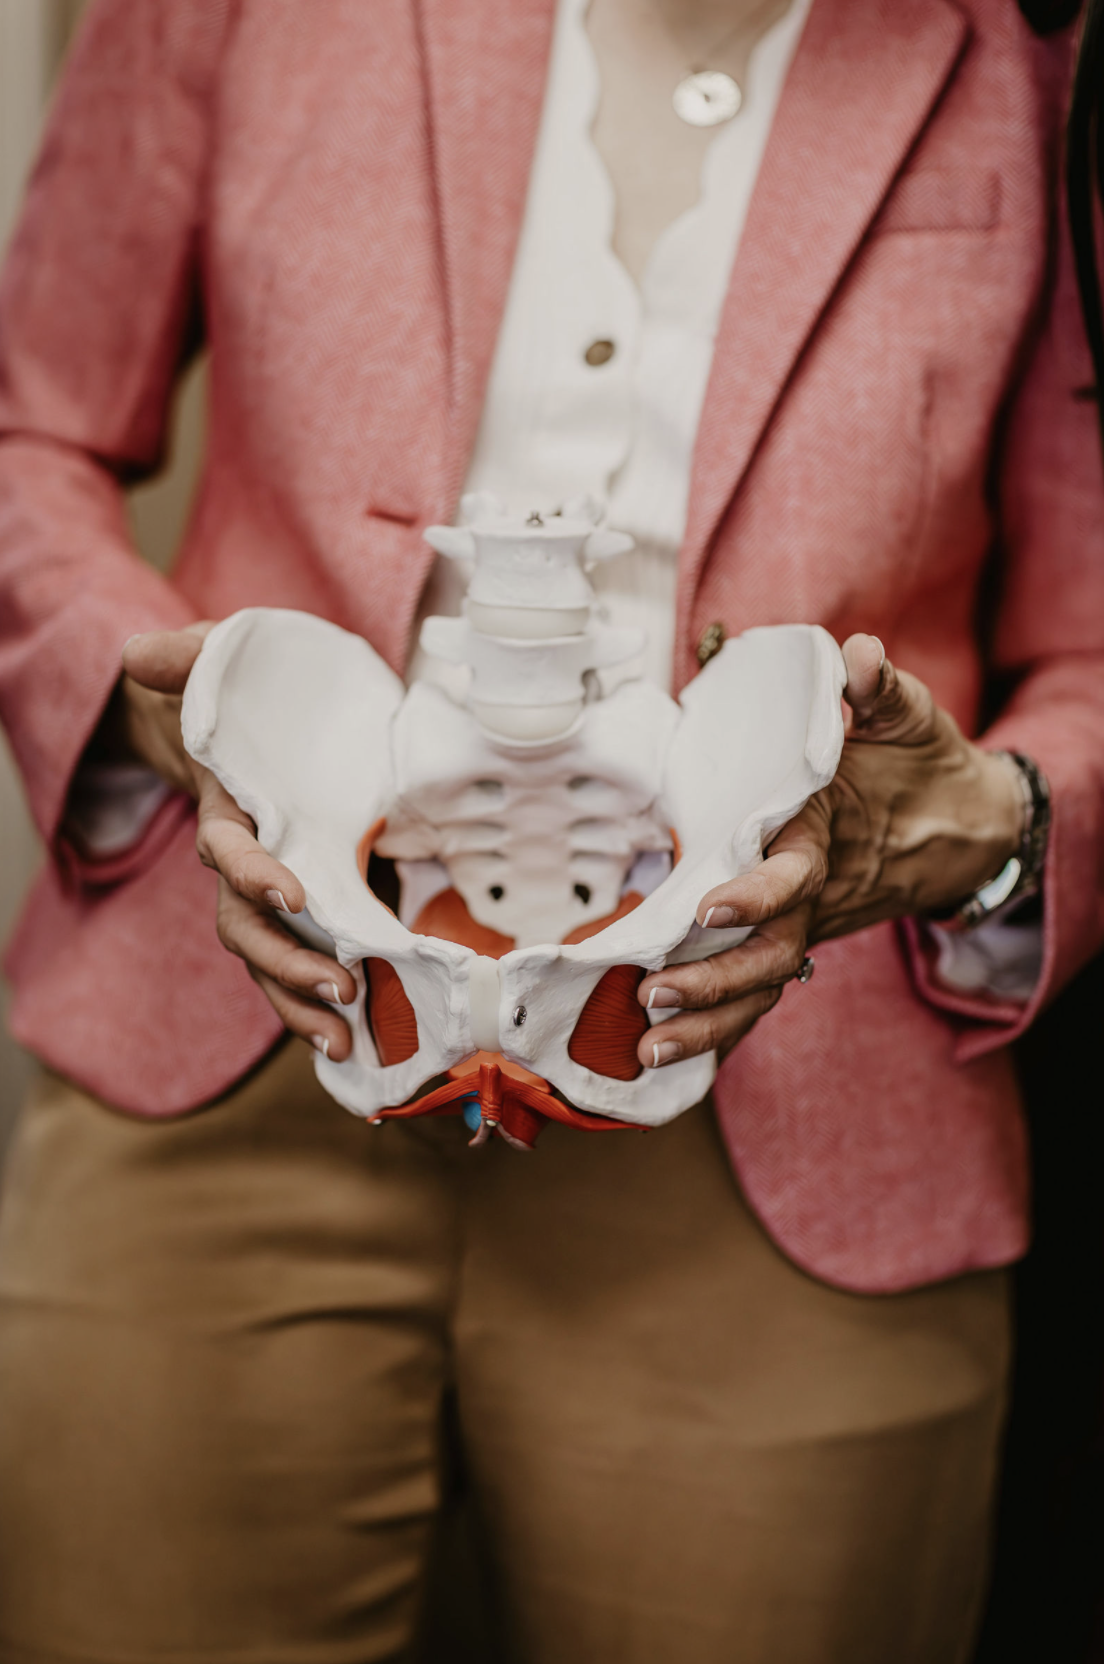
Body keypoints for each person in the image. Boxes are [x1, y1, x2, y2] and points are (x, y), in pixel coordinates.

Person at [0, 0, 1102, 1659]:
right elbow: (30, 429)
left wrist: (991, 824)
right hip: (232, 1049)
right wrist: (173, 710)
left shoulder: (1043, 53)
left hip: (797, 1114)